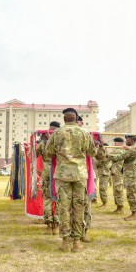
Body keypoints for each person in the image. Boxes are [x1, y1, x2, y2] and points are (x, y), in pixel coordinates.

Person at [46, 108, 96, 252]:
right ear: (75, 119)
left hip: (62, 175)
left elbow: (49, 153)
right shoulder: (84, 133)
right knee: (79, 207)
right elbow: (92, 152)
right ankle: (77, 242)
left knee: (64, 208)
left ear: (64, 119)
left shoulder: (57, 133)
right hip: (80, 175)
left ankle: (66, 241)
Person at [107, 135, 136, 222]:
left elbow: (119, 157)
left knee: (131, 194)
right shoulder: (132, 149)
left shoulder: (131, 150)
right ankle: (133, 213)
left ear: (132, 140)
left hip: (131, 175)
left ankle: (134, 214)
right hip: (129, 175)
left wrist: (108, 155)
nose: (126, 141)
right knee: (130, 194)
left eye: (128, 139)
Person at [36, 121, 61, 234]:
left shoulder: (44, 143)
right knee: (59, 199)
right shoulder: (62, 142)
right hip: (59, 172)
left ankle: (49, 225)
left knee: (47, 199)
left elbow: (34, 154)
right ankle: (55, 225)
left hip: (48, 171)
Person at [109, 137, 125, 213]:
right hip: (116, 173)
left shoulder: (119, 151)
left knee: (118, 190)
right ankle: (118, 207)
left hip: (118, 173)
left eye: (116, 143)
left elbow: (108, 156)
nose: (114, 144)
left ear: (120, 144)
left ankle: (120, 207)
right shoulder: (117, 151)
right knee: (116, 190)